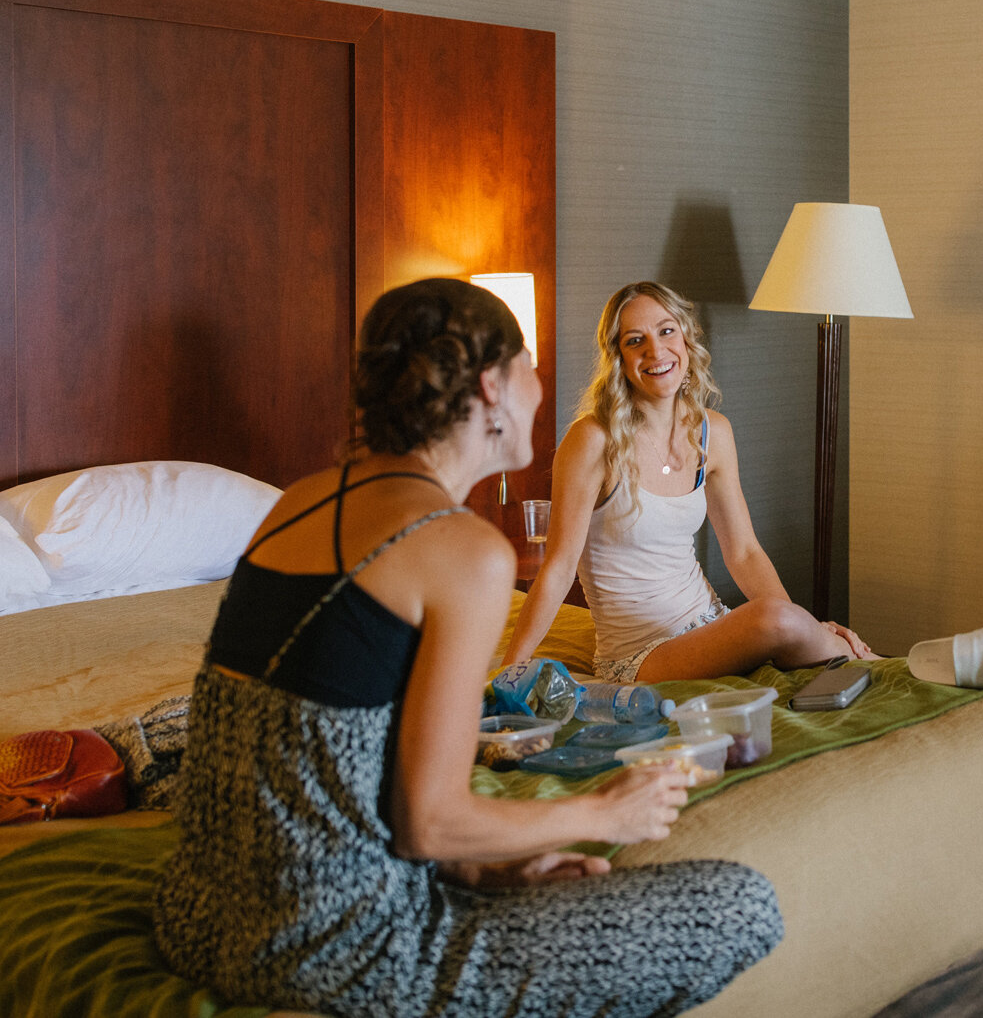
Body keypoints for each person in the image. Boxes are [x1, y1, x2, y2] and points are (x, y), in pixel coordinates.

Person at [154, 278, 781, 1017]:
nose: (542, 386)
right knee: (742, 904)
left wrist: (495, 877)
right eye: (528, 365)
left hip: (196, 915)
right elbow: (432, 820)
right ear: (492, 384)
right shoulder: (463, 551)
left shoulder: (299, 501)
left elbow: (346, 747)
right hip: (336, 943)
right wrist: (603, 813)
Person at [504, 280, 872, 682]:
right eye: (634, 340)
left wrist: (799, 628)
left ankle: (864, 663)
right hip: (641, 653)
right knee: (775, 618)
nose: (655, 351)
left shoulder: (713, 432)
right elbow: (558, 567)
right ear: (618, 358)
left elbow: (745, 552)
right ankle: (855, 657)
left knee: (782, 620)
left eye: (666, 331)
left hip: (713, 624)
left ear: (686, 338)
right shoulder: (593, 440)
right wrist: (509, 669)